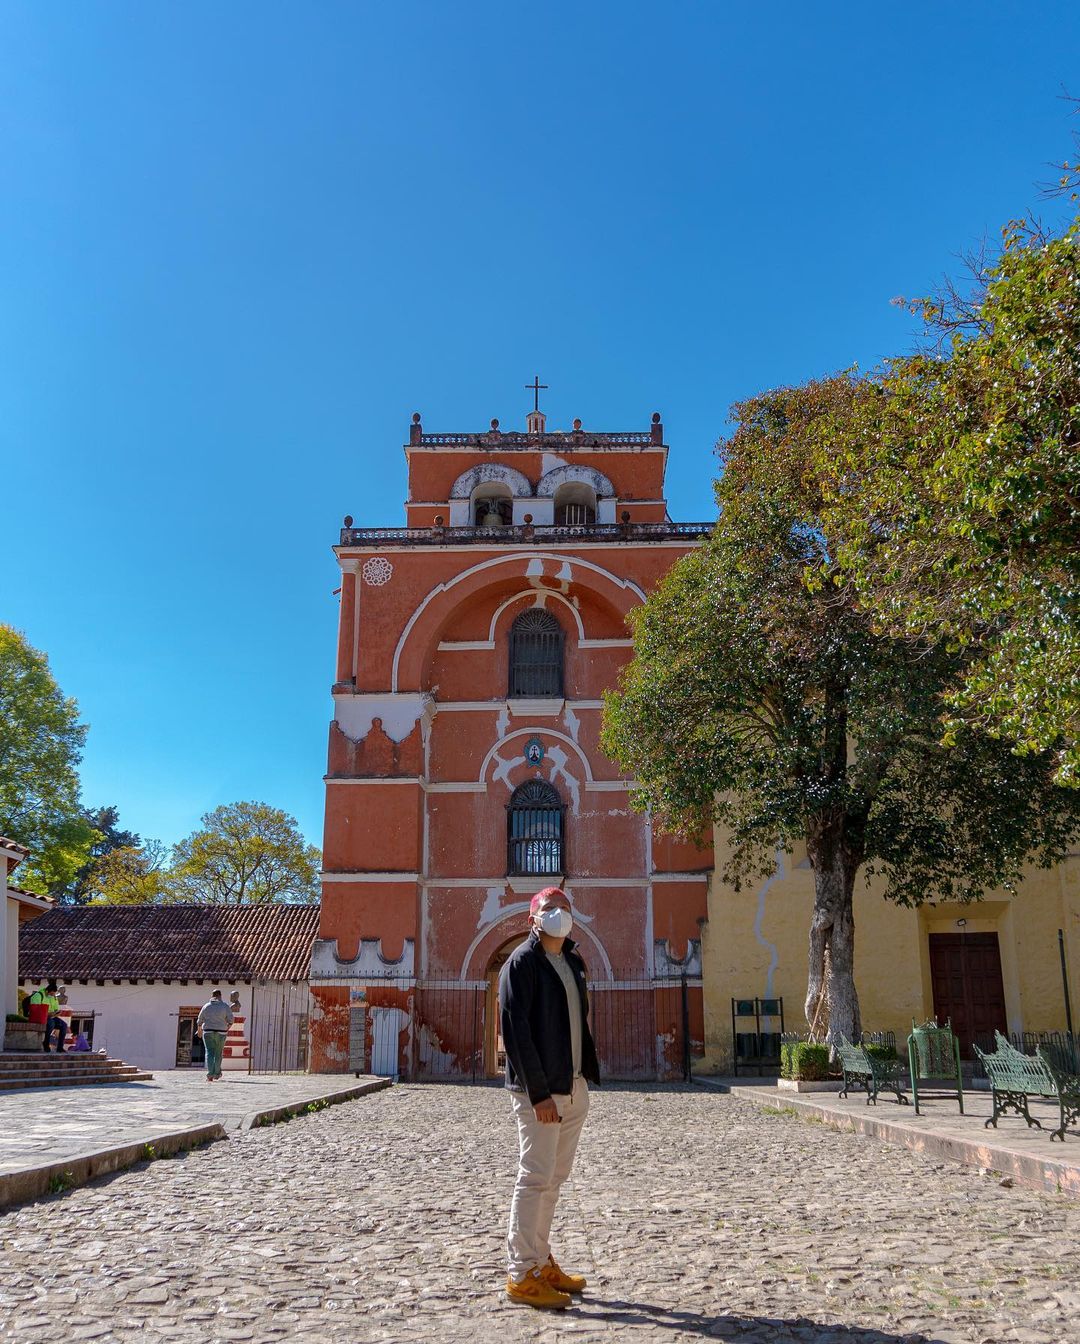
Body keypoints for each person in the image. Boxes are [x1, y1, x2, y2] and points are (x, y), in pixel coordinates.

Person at [499, 886, 600, 1311]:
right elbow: (515, 1032)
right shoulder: (521, 963)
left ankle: (541, 1260)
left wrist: (581, 1082)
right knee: (535, 1178)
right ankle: (522, 1273)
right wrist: (538, 1093)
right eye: (550, 907)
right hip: (541, 1093)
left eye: (564, 907)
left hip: (573, 1085)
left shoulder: (572, 961)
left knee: (553, 1182)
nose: (559, 913)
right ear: (533, 919)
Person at [195, 989, 234, 1083]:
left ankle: (210, 1075)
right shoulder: (225, 1006)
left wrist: (199, 1030)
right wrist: (226, 1028)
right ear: (220, 996)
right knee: (218, 1053)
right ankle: (217, 1074)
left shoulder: (206, 1006)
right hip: (221, 1032)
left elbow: (199, 1020)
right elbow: (231, 1020)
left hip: (208, 1032)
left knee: (209, 1052)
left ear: (212, 996)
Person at [30, 981, 67, 1054]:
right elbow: (34, 1010)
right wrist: (48, 1014)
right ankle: (46, 1043)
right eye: (51, 994)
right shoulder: (38, 996)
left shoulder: (54, 997)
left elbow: (56, 1009)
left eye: (54, 994)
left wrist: (57, 1013)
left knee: (64, 1025)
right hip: (40, 1017)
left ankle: (60, 1048)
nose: (52, 995)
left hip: (51, 1016)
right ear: (47, 991)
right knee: (51, 1024)